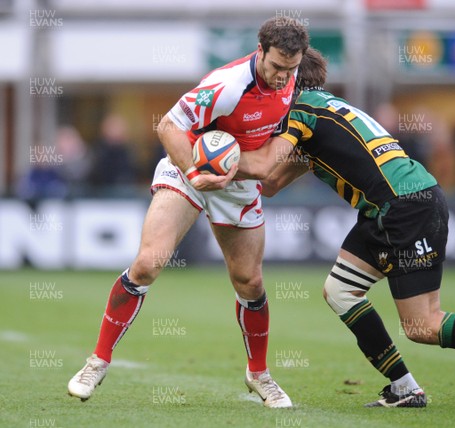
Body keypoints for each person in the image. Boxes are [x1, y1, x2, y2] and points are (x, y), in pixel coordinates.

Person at [237, 48, 455, 407]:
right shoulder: (325, 108)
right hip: (400, 203)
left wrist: (210, 155)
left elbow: (266, 167)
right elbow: (272, 182)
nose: (270, 87)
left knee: (423, 325)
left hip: (403, 208)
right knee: (340, 291)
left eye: (278, 79)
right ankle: (404, 388)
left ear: (290, 83)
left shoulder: (301, 113)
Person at [67, 17, 309, 408]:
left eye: (291, 68)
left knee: (250, 282)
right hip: (190, 168)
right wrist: (198, 174)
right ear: (260, 51)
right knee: (148, 263)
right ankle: (98, 361)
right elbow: (168, 126)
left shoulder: (298, 79)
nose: (283, 76)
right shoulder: (227, 85)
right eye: (276, 66)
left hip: (238, 185)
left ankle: (259, 374)